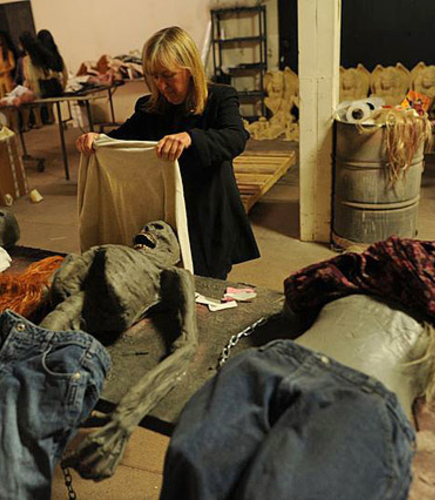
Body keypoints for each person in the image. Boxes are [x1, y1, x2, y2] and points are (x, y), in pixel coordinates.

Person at [160, 293, 431, 500]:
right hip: (331, 380)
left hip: (285, 365)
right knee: (194, 468)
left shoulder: (351, 271)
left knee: (195, 470)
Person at [76, 26, 260, 279]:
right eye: (154, 77)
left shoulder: (219, 98)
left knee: (207, 284)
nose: (161, 85)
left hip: (207, 214)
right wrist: (99, 140)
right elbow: (122, 138)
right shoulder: (150, 108)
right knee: (165, 277)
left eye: (168, 75)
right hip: (164, 213)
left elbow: (235, 137)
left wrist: (191, 138)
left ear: (189, 68)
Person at [0, 31, 16, 99]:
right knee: (2, 98)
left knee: (11, 96)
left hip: (7, 77)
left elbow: (13, 65)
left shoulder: (8, 52)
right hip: (0, 78)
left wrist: (5, 71)